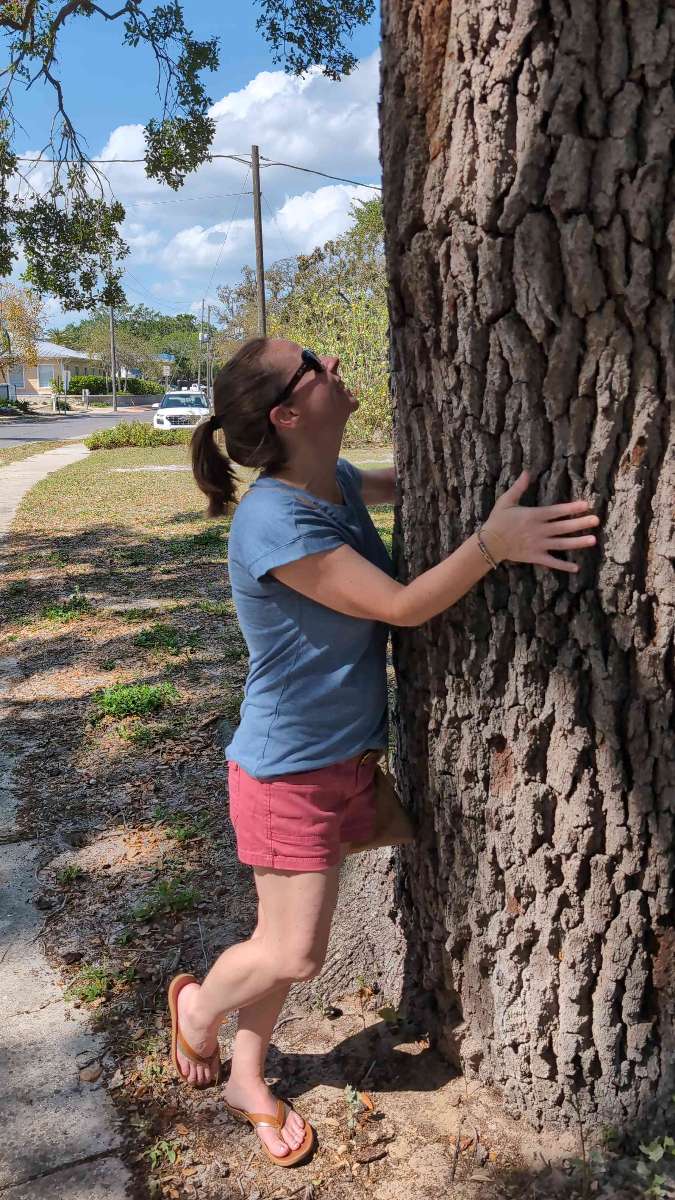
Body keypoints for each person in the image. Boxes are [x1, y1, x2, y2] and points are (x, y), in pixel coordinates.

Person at [169, 337, 600, 1167]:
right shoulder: (275, 523)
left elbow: (408, 484)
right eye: (314, 363)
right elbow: (401, 605)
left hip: (341, 761)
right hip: (287, 770)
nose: (333, 364)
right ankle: (195, 1011)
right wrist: (492, 544)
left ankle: (244, 1076)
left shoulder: (326, 479)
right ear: (285, 414)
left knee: (278, 938)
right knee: (293, 951)